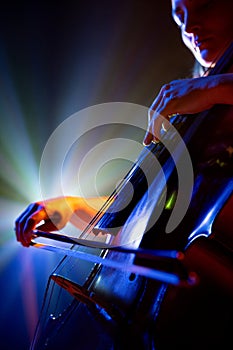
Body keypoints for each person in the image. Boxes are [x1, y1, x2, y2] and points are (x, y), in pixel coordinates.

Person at [15, 0, 233, 248]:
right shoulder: (194, 102)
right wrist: (71, 206)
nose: (190, 28)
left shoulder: (208, 92)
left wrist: (215, 86)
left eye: (205, 6)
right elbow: (146, 209)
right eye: (180, 19)